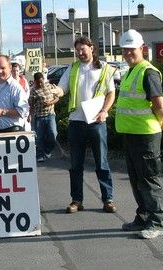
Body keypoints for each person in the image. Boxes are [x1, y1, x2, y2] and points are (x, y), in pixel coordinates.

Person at [115, 29, 163, 239]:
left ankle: (156, 221)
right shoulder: (132, 70)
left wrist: (160, 120)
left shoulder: (148, 72)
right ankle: (143, 216)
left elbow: (159, 105)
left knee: (148, 179)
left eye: (132, 49)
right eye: (125, 50)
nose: (128, 53)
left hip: (146, 136)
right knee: (136, 179)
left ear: (142, 49)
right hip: (132, 134)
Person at [55, 36, 117, 214]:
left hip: (97, 122)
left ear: (92, 48)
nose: (80, 53)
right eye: (77, 50)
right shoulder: (73, 68)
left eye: (83, 49)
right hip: (76, 122)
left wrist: (104, 111)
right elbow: (62, 89)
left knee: (102, 163)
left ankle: (108, 199)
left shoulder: (104, 69)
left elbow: (111, 94)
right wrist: (53, 92)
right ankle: (77, 200)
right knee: (76, 165)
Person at [0, 55, 29, 133]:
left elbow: (24, 111)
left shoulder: (15, 87)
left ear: (10, 68)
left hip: (12, 134)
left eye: (3, 68)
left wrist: (2, 112)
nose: (0, 71)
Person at [29, 72, 60, 162]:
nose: (40, 84)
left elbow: (57, 97)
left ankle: (47, 150)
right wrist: (29, 115)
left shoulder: (50, 86)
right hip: (39, 116)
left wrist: (51, 102)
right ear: (35, 82)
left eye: (41, 82)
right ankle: (39, 155)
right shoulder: (33, 90)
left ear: (43, 80)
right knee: (39, 137)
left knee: (53, 134)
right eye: (38, 82)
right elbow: (31, 104)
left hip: (50, 114)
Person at [11, 62, 31, 131]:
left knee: (26, 128)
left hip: (23, 106)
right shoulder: (9, 82)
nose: (15, 72)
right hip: (13, 109)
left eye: (17, 70)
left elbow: (27, 92)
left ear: (19, 71)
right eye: (13, 71)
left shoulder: (23, 81)